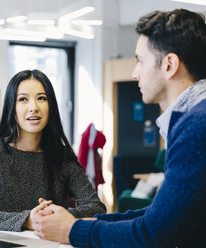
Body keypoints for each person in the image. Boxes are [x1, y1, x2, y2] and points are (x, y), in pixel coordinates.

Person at [33, 8, 206, 247]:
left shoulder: (196, 124)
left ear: (169, 65)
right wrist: (85, 220)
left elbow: (152, 234)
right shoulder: (196, 116)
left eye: (140, 61)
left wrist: (72, 230)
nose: (135, 74)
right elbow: (160, 215)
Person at [0, 69, 106, 232]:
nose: (33, 107)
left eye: (41, 98)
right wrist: (26, 220)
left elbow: (96, 207)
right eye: (23, 99)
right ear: (12, 107)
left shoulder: (62, 156)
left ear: (51, 106)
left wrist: (53, 217)